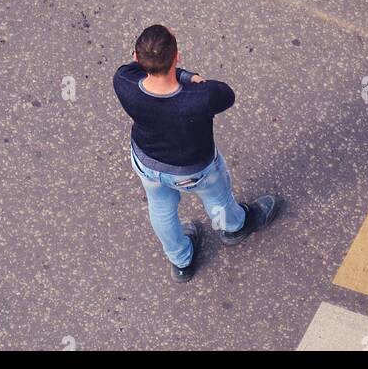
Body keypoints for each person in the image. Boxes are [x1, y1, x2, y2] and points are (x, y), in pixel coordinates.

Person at [113, 25, 280, 282]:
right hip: (193, 170)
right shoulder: (200, 97)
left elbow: (135, 70)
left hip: (146, 162)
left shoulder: (124, 81)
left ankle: (181, 261)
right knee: (218, 199)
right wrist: (190, 78)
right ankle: (234, 227)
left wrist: (181, 75)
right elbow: (226, 94)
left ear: (136, 58)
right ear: (177, 56)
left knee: (160, 208)